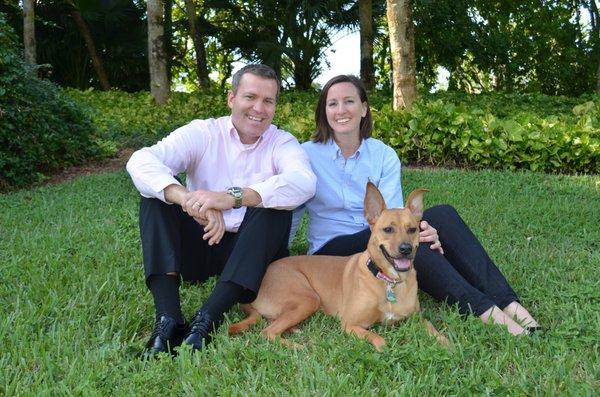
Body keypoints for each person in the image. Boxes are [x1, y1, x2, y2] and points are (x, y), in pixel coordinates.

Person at [291, 75, 540, 336]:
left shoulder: (383, 155)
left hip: (382, 232)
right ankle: (487, 312)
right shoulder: (306, 154)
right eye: (332, 104)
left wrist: (420, 228)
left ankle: (512, 306)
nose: (341, 110)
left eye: (349, 101)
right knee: (405, 243)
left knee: (441, 215)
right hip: (335, 250)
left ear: (364, 108)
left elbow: (398, 217)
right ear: (324, 112)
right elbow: (291, 205)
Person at [127, 64, 316, 357]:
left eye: (268, 101)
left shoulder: (282, 142)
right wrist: (188, 200)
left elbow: (304, 183)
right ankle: (168, 318)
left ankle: (207, 319)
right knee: (154, 196)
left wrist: (232, 197)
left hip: (253, 256)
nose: (259, 108)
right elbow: (141, 161)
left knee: (272, 203)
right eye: (250, 97)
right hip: (203, 241)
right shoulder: (203, 133)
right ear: (231, 98)